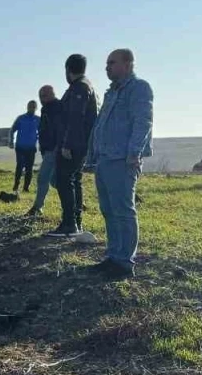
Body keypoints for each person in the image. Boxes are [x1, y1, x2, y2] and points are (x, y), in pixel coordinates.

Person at [86, 48, 154, 278]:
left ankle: (124, 262)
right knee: (108, 210)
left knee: (123, 211)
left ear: (128, 64)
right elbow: (100, 125)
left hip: (123, 160)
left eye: (112, 63)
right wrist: (92, 154)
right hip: (104, 159)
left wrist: (134, 152)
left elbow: (143, 121)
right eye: (106, 64)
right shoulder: (110, 93)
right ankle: (113, 256)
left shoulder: (139, 88)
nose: (107, 67)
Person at [49, 54, 99, 237]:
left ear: (68, 69)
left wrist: (67, 144)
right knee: (74, 181)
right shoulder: (84, 86)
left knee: (64, 181)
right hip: (80, 143)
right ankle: (75, 223)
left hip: (74, 144)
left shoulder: (79, 88)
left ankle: (69, 223)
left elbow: (75, 119)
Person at [27, 86, 62, 217]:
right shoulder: (46, 109)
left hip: (54, 149)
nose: (42, 99)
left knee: (43, 178)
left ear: (52, 94)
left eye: (45, 95)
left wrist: (55, 146)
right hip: (48, 149)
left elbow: (58, 128)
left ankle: (37, 207)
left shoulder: (56, 108)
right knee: (55, 181)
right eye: (40, 96)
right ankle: (76, 201)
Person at [10, 100, 40, 192]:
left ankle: (26, 188)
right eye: (30, 106)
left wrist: (40, 141)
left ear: (36, 108)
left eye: (33, 106)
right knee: (19, 166)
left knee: (29, 168)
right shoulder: (21, 118)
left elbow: (42, 132)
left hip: (31, 148)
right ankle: (16, 186)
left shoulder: (38, 119)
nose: (32, 108)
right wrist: (11, 141)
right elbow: (12, 130)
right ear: (27, 107)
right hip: (20, 147)